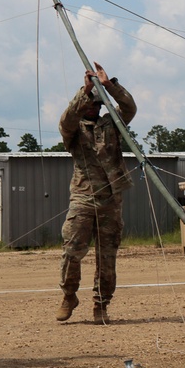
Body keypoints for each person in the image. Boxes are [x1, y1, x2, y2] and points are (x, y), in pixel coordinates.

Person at [56, 62, 137, 325]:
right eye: (88, 101)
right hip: (82, 198)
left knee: (107, 256)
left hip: (111, 200)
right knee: (72, 250)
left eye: (95, 101)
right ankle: (69, 296)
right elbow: (66, 118)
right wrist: (86, 88)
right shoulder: (72, 130)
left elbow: (129, 108)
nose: (91, 105)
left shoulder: (111, 124)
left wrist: (109, 86)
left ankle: (101, 304)